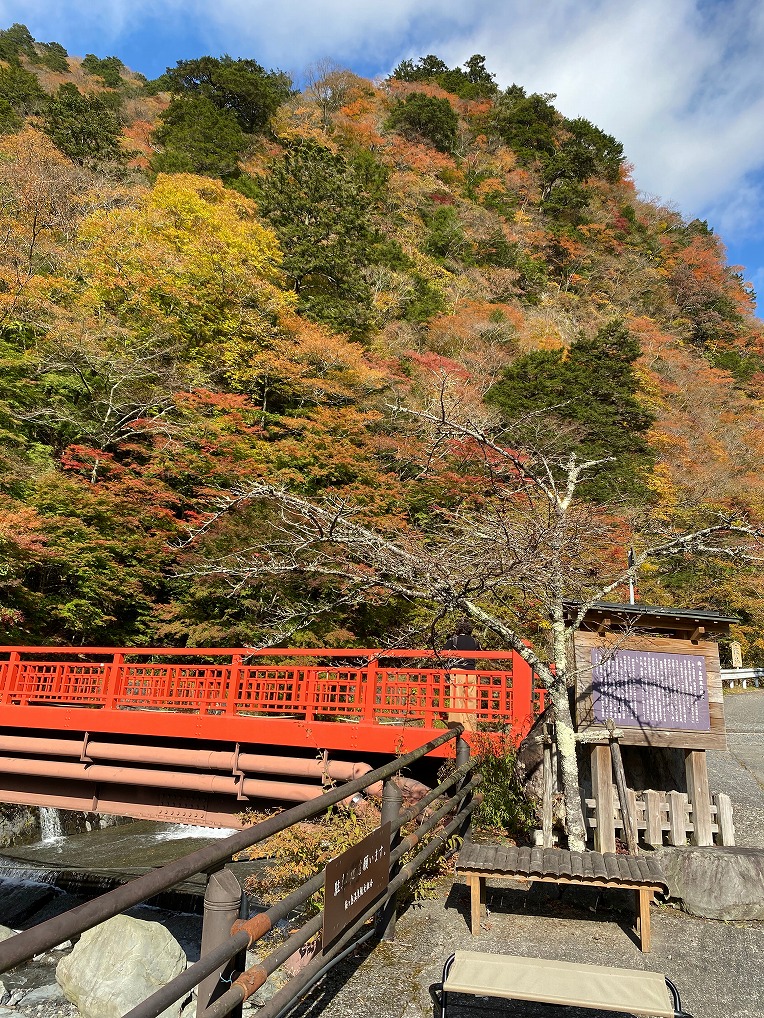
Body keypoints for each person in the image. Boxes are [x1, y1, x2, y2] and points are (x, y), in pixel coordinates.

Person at [444, 622, 481, 730]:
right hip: (471, 672)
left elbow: (443, 652)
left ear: (459, 630)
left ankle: (455, 726)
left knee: (456, 699)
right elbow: (481, 653)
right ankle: (470, 727)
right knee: (470, 699)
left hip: (457, 670)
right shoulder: (475, 641)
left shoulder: (454, 640)